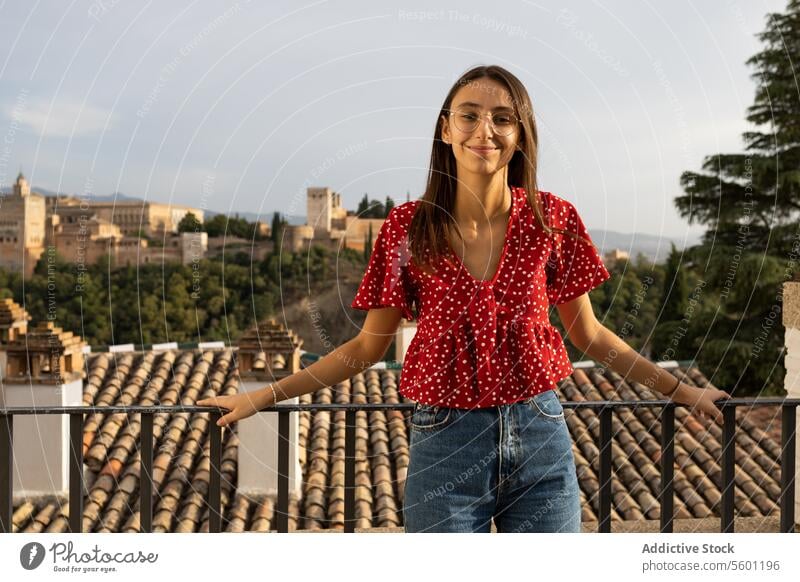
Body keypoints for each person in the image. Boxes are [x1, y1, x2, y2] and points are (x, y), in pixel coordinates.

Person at [198, 64, 731, 533]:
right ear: (445, 128)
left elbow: (590, 336)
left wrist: (684, 392)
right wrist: (260, 399)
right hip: (444, 444)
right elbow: (365, 349)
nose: (486, 130)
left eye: (502, 117)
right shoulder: (407, 230)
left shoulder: (554, 220)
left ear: (520, 134)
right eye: (469, 115)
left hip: (540, 435)